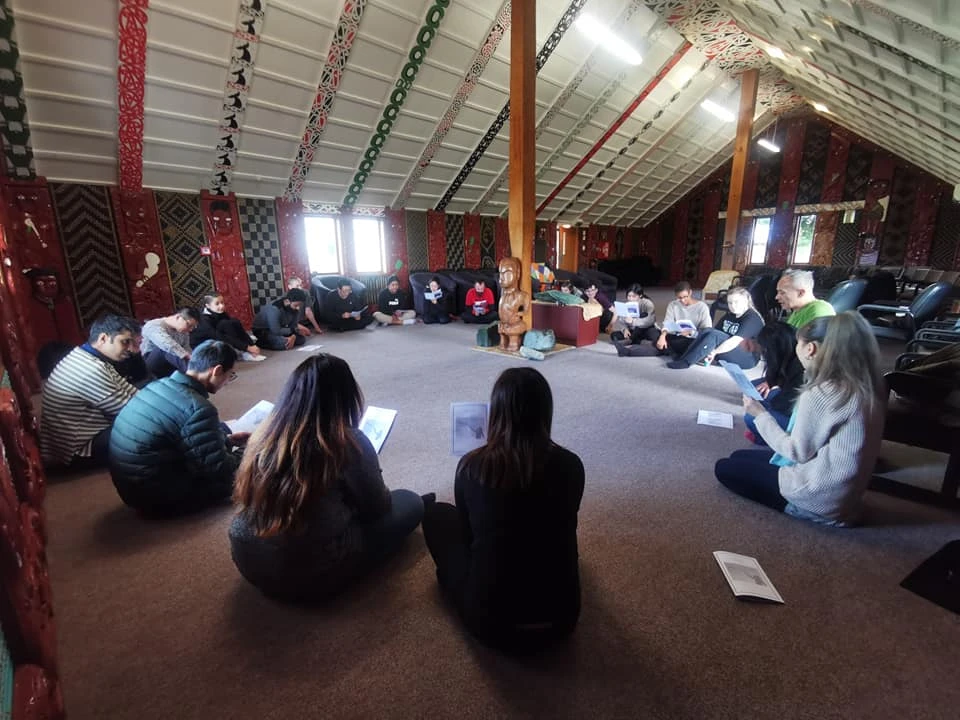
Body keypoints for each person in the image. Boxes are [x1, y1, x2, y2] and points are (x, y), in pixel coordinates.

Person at [229, 354, 424, 601]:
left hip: (248, 559)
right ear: (346, 397)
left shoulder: (264, 434)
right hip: (315, 574)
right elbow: (378, 508)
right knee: (411, 501)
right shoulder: (346, 441)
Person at [422, 367, 585, 653]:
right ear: (546, 412)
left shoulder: (473, 467)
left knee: (436, 514)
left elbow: (469, 535)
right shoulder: (572, 464)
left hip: (491, 624)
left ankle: (457, 586)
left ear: (495, 412)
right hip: (562, 620)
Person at [714, 312, 886, 527]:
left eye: (799, 344)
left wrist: (760, 414)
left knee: (724, 467)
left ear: (811, 348)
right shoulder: (867, 386)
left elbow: (796, 452)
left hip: (817, 497)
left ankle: (803, 510)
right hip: (842, 491)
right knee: (738, 456)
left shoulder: (822, 392)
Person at [109, 341, 247, 515]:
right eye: (230, 375)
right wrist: (247, 451)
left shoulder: (157, 385)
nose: (228, 381)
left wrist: (225, 441)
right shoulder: (197, 408)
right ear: (217, 370)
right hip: (157, 498)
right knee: (258, 468)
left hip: (131, 488)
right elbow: (221, 472)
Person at [39, 314, 141, 470]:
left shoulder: (86, 355)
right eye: (125, 342)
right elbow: (131, 411)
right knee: (152, 430)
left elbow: (130, 391)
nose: (130, 349)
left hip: (85, 434)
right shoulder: (91, 369)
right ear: (103, 338)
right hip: (79, 449)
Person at [667, 287, 764, 369]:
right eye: (730, 303)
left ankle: (686, 362)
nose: (733, 306)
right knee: (707, 331)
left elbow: (734, 341)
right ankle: (684, 357)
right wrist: (694, 333)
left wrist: (713, 352)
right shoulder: (731, 315)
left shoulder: (752, 318)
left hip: (747, 358)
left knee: (713, 335)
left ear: (746, 301)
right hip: (727, 349)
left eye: (736, 302)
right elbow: (712, 332)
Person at [743, 321, 806, 444]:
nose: (763, 354)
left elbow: (785, 405)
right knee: (762, 396)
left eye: (765, 351)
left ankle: (769, 441)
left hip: (800, 425)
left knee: (751, 417)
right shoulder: (791, 357)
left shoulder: (800, 371)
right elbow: (775, 382)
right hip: (792, 407)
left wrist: (760, 410)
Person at [192, 293, 265, 362]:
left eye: (222, 302)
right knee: (225, 324)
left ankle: (244, 350)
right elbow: (220, 337)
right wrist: (246, 347)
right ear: (207, 306)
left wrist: (251, 345)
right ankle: (241, 353)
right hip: (204, 345)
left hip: (217, 338)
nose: (221, 306)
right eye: (217, 304)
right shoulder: (204, 320)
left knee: (233, 321)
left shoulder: (219, 312)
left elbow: (237, 329)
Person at [655, 281, 712, 357]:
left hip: (693, 338)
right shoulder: (673, 305)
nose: (682, 300)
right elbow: (667, 323)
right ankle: (676, 352)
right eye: (679, 298)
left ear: (690, 293)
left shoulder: (702, 307)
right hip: (677, 335)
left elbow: (707, 330)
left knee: (698, 344)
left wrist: (691, 332)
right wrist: (662, 336)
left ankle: (672, 352)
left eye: (685, 297)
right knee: (657, 336)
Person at [140, 308, 201, 378]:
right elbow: (166, 344)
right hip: (149, 362)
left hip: (171, 362)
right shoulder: (153, 325)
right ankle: (195, 373)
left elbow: (186, 347)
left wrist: (194, 359)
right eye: (189, 325)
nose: (190, 329)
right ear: (178, 317)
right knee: (166, 349)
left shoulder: (183, 331)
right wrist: (187, 356)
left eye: (193, 327)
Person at [610, 283, 658, 357]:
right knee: (614, 335)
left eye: (634, 296)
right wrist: (625, 329)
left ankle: (633, 340)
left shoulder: (647, 303)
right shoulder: (627, 304)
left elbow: (650, 320)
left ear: (640, 296)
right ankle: (637, 340)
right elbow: (622, 320)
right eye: (629, 296)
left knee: (656, 337)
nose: (631, 299)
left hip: (647, 328)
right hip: (633, 330)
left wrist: (633, 321)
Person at [497, 257, 530, 352]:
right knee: (500, 328)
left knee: (515, 329)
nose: (501, 277)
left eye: (506, 273)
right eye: (500, 273)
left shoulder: (522, 295)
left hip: (515, 324)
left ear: (517, 274)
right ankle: (503, 342)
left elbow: (526, 310)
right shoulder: (502, 294)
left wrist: (518, 314)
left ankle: (514, 343)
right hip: (504, 324)